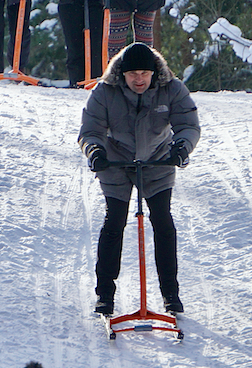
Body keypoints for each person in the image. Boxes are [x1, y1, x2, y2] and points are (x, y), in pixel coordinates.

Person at [78, 42, 200, 315]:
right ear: (122, 74)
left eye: (144, 73)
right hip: (116, 161)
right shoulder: (105, 91)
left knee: (162, 222)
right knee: (114, 223)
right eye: (133, 74)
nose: (139, 79)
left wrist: (181, 147)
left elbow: (188, 124)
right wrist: (95, 150)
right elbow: (90, 129)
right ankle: (105, 294)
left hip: (158, 160)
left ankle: (171, 293)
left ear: (154, 72)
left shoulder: (172, 88)